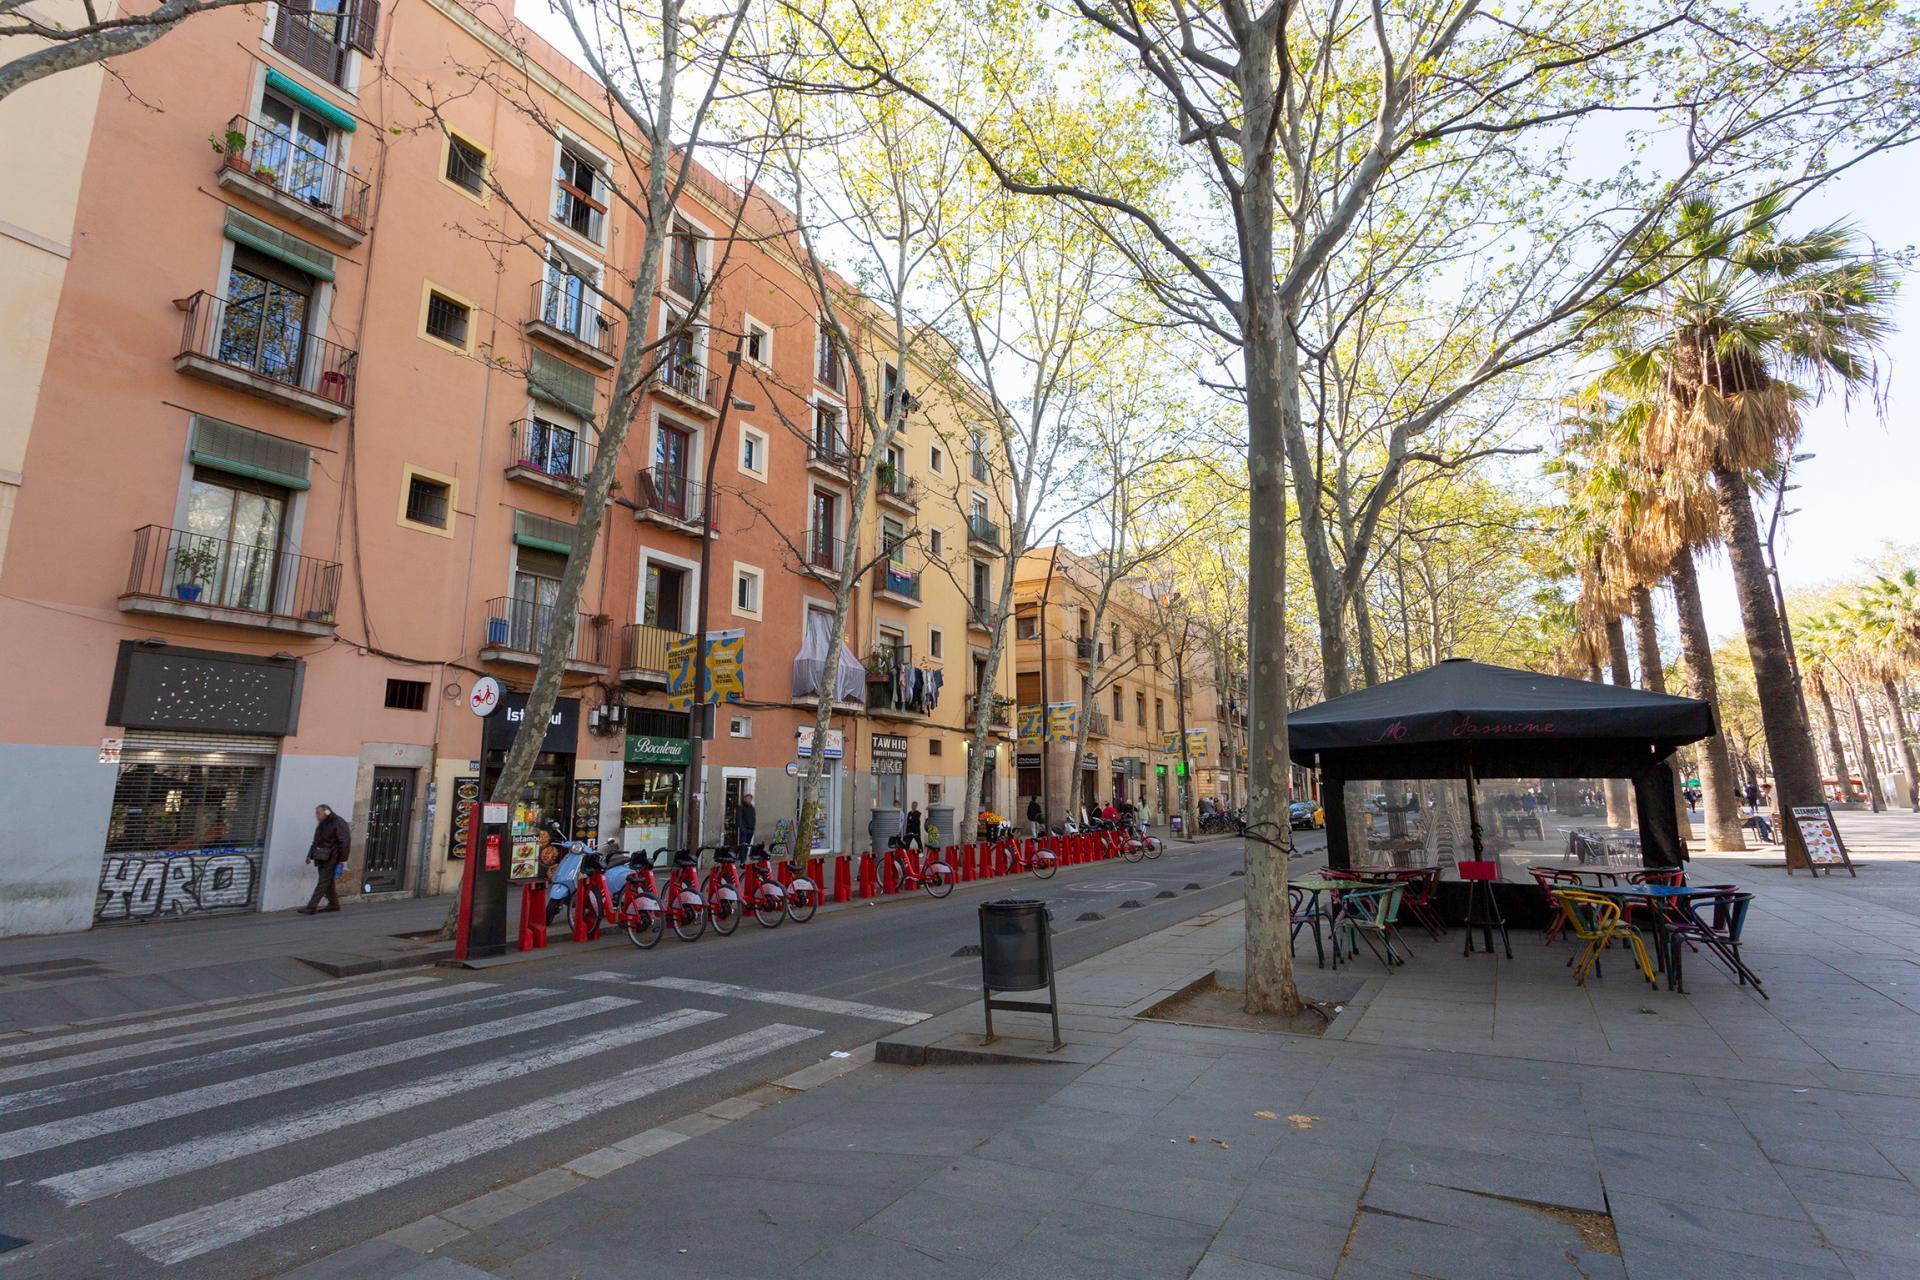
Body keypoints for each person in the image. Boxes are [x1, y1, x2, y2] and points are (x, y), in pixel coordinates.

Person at [299, 804, 350, 914]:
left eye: (318, 813)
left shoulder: (338, 822)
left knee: (323, 882)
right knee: (328, 882)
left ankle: (311, 907)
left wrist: (341, 859)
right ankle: (334, 904)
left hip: (332, 857)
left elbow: (344, 842)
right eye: (316, 813)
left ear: (326, 812)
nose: (316, 816)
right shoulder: (322, 824)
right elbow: (316, 842)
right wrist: (309, 855)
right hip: (321, 857)